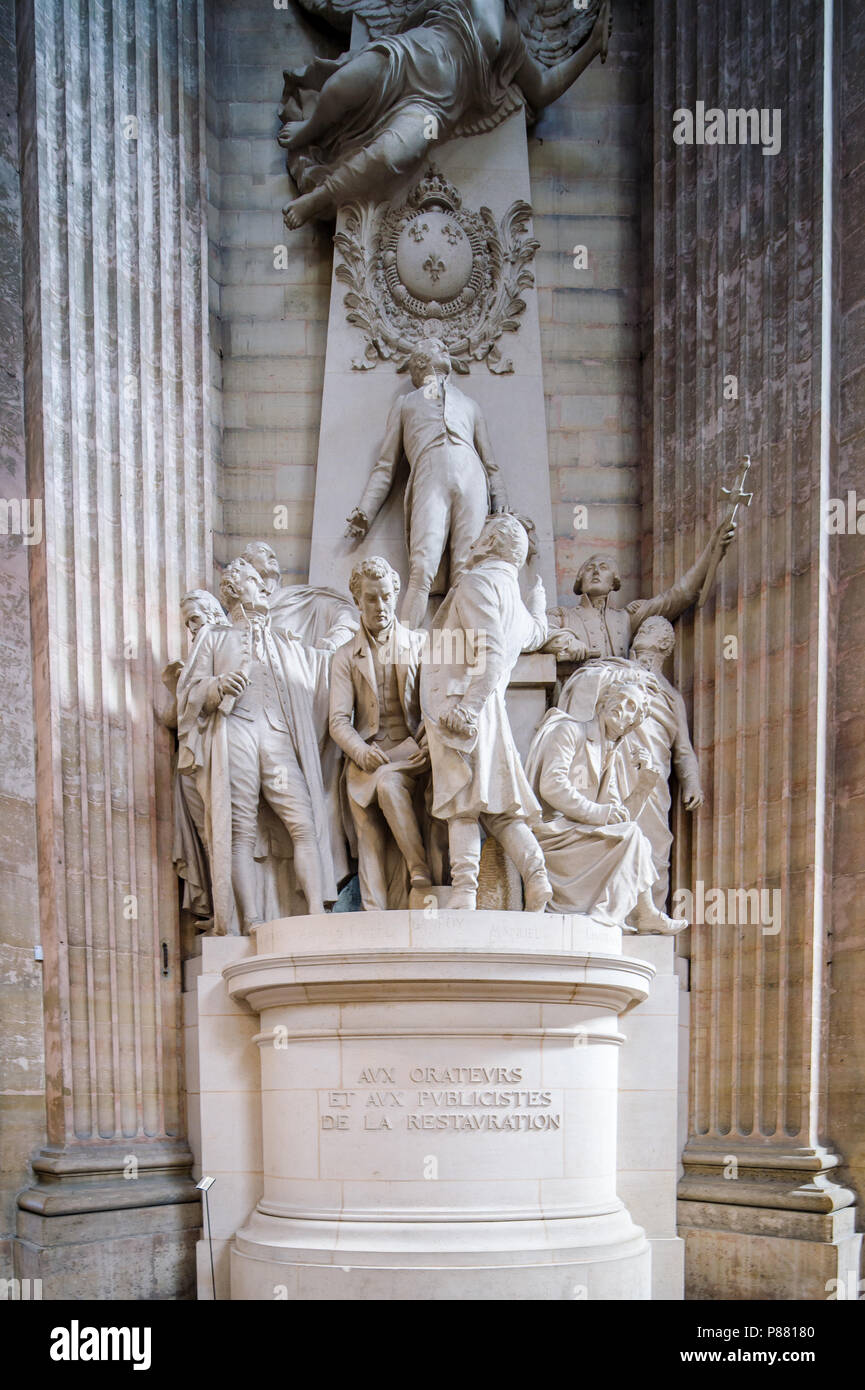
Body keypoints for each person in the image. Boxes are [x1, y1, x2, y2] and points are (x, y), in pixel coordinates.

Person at [279, 0, 612, 227]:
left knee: (391, 155)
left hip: (432, 108)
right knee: (342, 84)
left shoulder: (512, 39)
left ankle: (320, 197)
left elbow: (542, 88)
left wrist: (591, 46)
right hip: (406, 56)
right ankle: (311, 128)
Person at [176, 558, 347, 932]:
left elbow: (327, 668)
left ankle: (316, 910)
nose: (264, 587)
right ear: (237, 588)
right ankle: (250, 918)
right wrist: (216, 686)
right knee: (240, 831)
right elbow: (188, 691)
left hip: (278, 736)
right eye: (255, 580)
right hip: (236, 730)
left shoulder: (286, 644)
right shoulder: (216, 637)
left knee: (303, 822)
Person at [420, 513, 552, 911]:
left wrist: (467, 709)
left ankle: (464, 893)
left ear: (492, 542)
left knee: (462, 803)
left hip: (464, 706)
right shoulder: (512, 596)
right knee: (500, 809)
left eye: (481, 535)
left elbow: (490, 652)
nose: (474, 540)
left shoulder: (478, 583)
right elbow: (538, 633)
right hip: (489, 708)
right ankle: (538, 875)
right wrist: (539, 600)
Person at [346, 336, 508, 629]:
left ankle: (464, 651)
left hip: (472, 476)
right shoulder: (406, 403)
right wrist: (365, 511)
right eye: (437, 347)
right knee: (422, 567)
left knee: (466, 570)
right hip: (428, 473)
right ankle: (401, 644)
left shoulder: (470, 405)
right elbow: (385, 466)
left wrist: (500, 501)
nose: (446, 348)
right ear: (419, 362)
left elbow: (490, 462)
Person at [524, 673, 685, 933]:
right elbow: (552, 785)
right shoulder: (570, 730)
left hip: (580, 838)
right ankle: (638, 913)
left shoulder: (610, 754)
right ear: (604, 702)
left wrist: (644, 784)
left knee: (636, 838)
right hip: (552, 837)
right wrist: (600, 813)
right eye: (620, 700)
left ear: (633, 723)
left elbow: (619, 820)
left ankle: (644, 913)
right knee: (634, 837)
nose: (622, 708)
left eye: (631, 707)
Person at [560, 618, 702, 908]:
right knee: (612, 831)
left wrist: (692, 781)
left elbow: (683, 749)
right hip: (614, 764)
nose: (639, 635)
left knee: (655, 841)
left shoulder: (672, 696)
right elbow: (586, 687)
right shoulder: (614, 670)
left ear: (665, 643)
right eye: (639, 630)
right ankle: (608, 906)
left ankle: (647, 914)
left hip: (652, 776)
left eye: (648, 630)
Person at [330, 556, 431, 909]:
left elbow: (436, 701)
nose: (381, 606)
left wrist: (429, 738)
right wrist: (360, 752)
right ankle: (374, 916)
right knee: (367, 833)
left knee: (389, 784)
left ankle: (421, 868)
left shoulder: (419, 643)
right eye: (371, 598)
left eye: (386, 596)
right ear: (358, 601)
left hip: (411, 755)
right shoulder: (344, 656)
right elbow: (339, 721)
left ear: (396, 594)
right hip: (367, 759)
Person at [545, 516, 737, 666]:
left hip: (622, 688)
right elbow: (540, 631)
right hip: (583, 686)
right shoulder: (563, 616)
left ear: (614, 582)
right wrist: (569, 643)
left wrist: (712, 551)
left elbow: (679, 595)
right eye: (589, 568)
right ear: (579, 581)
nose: (595, 571)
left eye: (603, 567)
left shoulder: (626, 617)